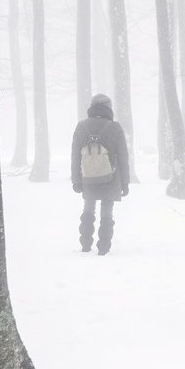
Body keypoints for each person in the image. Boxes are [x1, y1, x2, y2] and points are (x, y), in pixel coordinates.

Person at [71, 94, 130, 254]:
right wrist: (125, 182)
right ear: (109, 108)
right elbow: (123, 157)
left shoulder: (81, 126)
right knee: (107, 211)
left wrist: (76, 180)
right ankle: (103, 248)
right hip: (111, 177)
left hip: (88, 176)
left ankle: (85, 245)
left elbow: (75, 155)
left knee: (88, 209)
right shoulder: (115, 127)